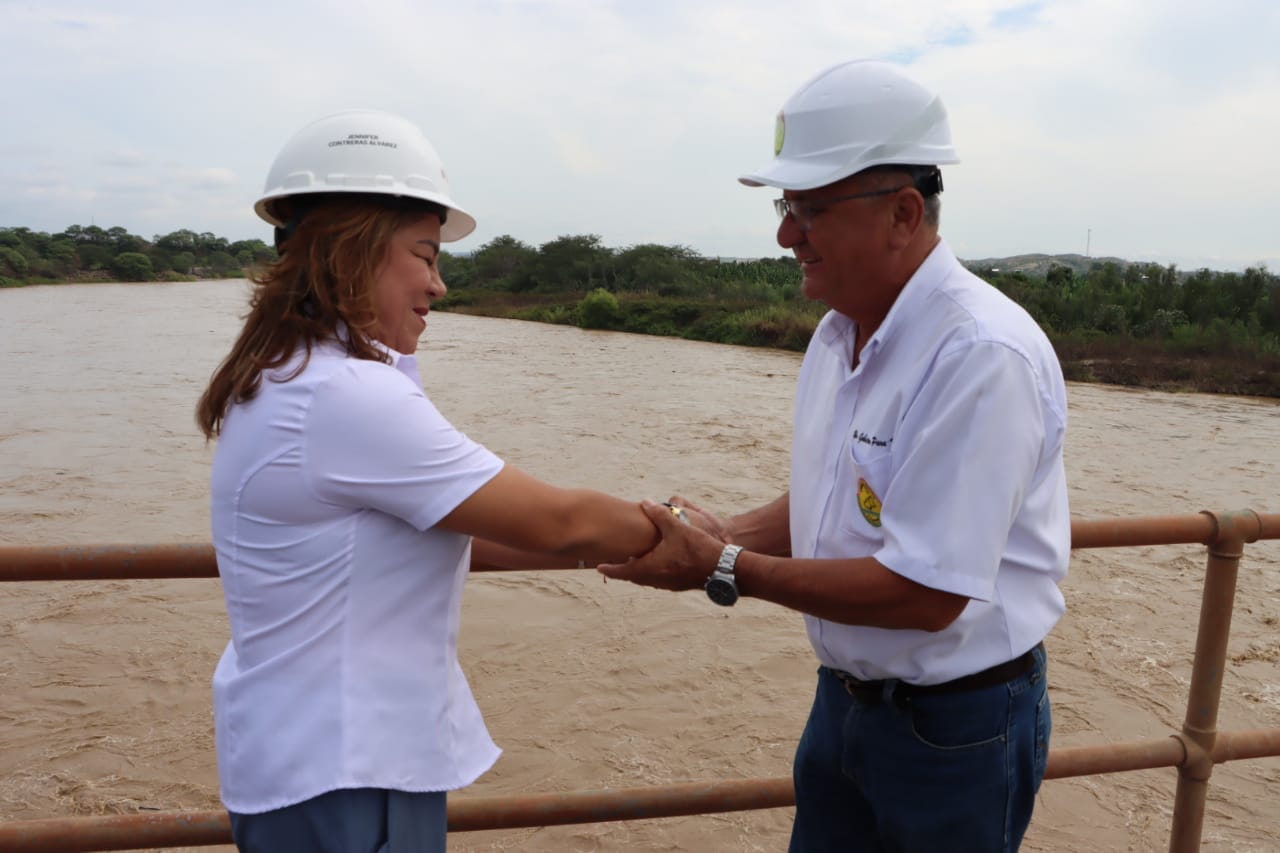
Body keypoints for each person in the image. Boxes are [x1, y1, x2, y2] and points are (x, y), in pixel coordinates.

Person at [599, 59, 1070, 852]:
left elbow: (925, 595)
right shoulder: (837, 333)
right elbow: (847, 490)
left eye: (811, 209)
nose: (786, 234)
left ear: (903, 212)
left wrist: (722, 567)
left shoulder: (981, 356)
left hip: (957, 727)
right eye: (788, 207)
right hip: (844, 705)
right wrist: (727, 534)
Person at [196, 109, 677, 853]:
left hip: (309, 760)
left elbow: (457, 523)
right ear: (355, 251)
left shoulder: (287, 375)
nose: (439, 284)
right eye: (425, 255)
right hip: (348, 774)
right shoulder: (347, 396)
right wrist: (693, 537)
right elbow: (560, 521)